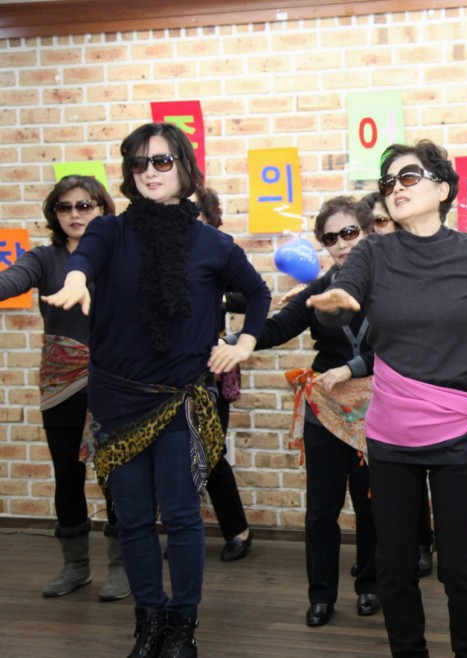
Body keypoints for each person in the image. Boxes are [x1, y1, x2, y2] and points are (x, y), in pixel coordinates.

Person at [307, 139, 467, 658]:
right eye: (388, 182)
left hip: (462, 427)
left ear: (442, 188)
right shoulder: (372, 253)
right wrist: (338, 301)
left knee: (459, 566)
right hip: (392, 430)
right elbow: (346, 295)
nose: (396, 188)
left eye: (408, 177)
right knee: (394, 565)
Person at [43, 122, 271, 657]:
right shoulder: (108, 231)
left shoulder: (213, 244)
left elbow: (258, 293)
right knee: (134, 519)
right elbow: (82, 260)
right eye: (140, 162)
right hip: (116, 398)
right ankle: (148, 623)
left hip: (179, 400)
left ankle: (182, 628)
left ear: (184, 168)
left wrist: (243, 343)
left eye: (162, 161)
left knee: (183, 517)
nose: (150, 171)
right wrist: (74, 279)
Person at [0, 175, 130, 602]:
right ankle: (75, 566)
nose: (75, 214)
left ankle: (122, 565)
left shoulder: (120, 256)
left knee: (115, 476)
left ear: (103, 209)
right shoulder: (44, 259)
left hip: (114, 379)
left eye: (85, 205)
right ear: (54, 213)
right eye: (65, 206)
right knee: (67, 477)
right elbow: (11, 281)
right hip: (61, 382)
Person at [253, 196, 380, 627]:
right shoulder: (318, 292)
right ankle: (321, 595)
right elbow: (277, 327)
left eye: (349, 232)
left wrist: (353, 368)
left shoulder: (393, 286)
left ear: (368, 232)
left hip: (378, 407)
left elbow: (400, 348)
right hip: (324, 407)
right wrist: (236, 340)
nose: (341, 243)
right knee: (322, 508)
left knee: (371, 504)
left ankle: (370, 585)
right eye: (330, 238)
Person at [362, 190, 434, 578]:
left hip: (429, 396)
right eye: (374, 222)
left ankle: (425, 543)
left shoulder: (417, 268)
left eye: (384, 221)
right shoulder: (364, 265)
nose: (380, 228)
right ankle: (391, 554)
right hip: (383, 400)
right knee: (394, 485)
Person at [195, 187, 254, 562]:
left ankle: (239, 530)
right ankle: (185, 532)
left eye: (195, 213)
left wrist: (216, 297)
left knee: (211, 451)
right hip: (168, 370)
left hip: (212, 367)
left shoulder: (220, 251)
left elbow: (252, 296)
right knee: (177, 454)